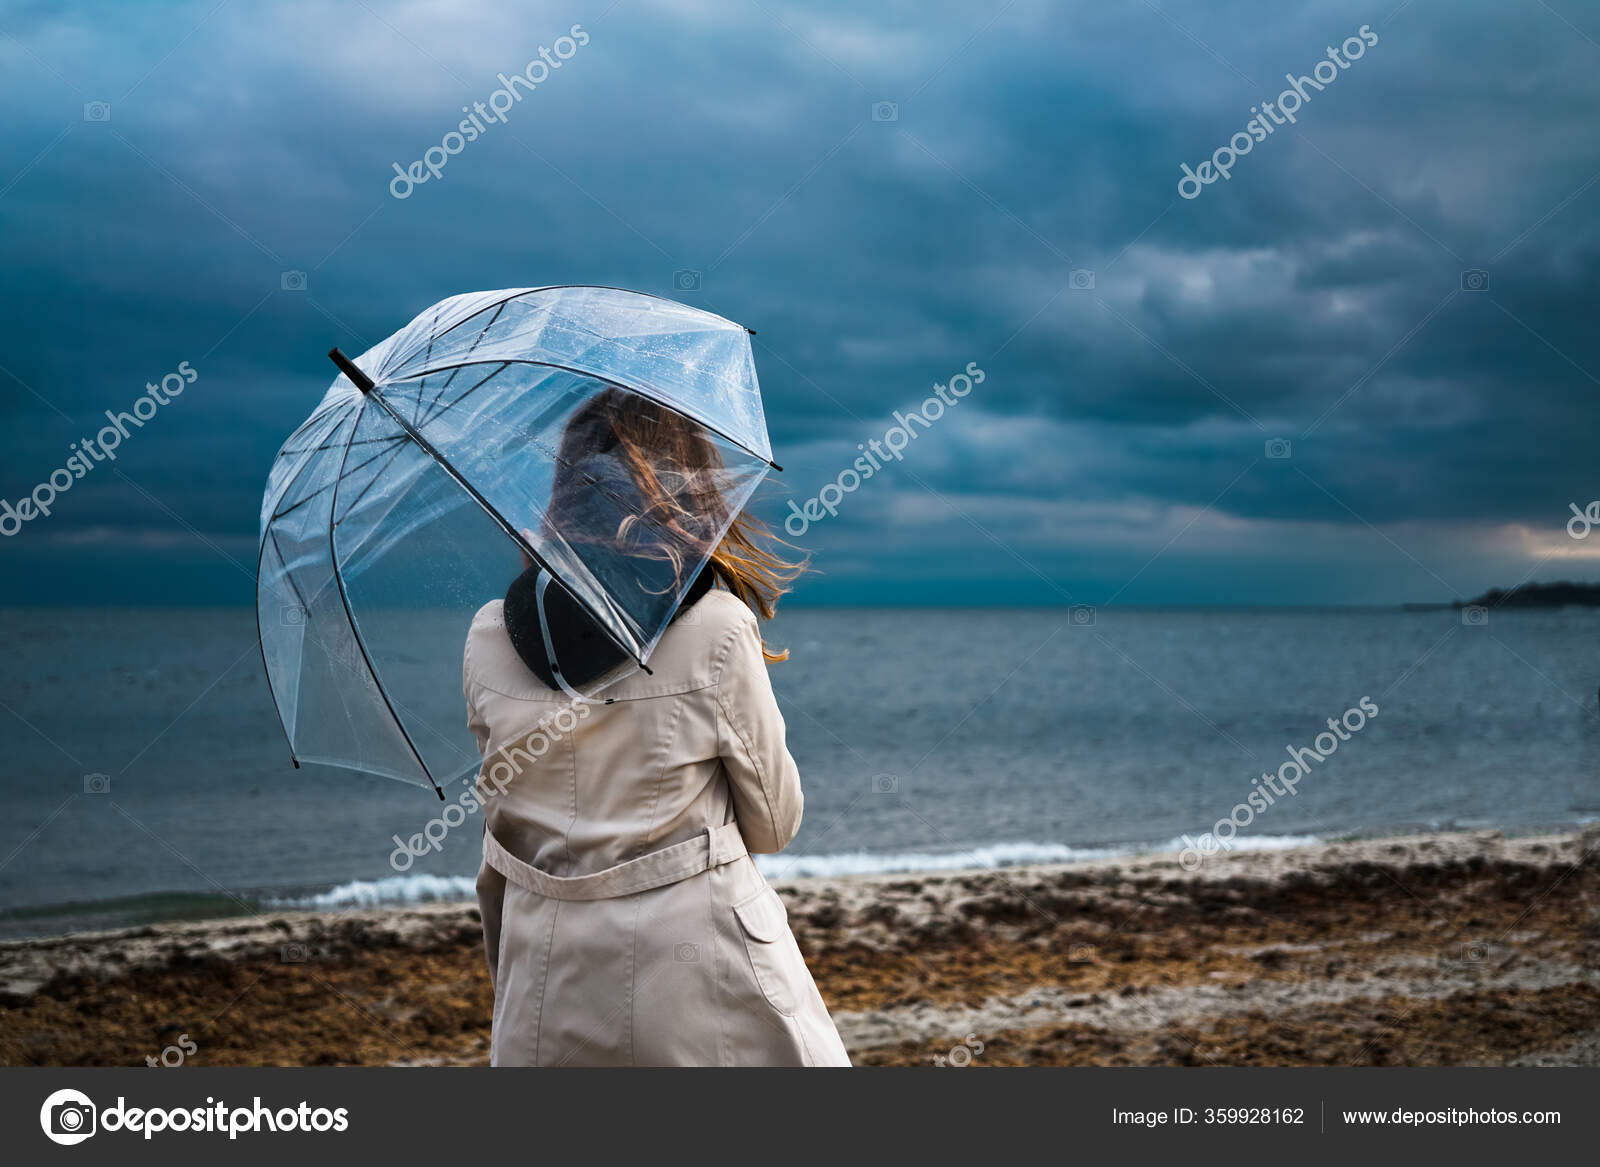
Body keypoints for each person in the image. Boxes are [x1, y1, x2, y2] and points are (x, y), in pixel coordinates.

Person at [463, 388, 850, 1066]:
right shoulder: (717, 628)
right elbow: (776, 822)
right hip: (698, 985)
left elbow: (507, 812)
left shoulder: (489, 637)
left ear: (564, 488)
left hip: (543, 981)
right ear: (689, 490)